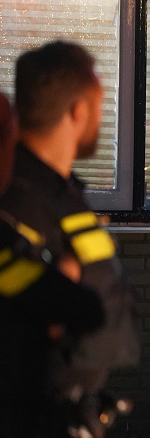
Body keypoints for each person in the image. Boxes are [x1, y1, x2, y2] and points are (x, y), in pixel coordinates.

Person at [0, 42, 139, 437]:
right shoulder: (18, 199)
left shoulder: (63, 196)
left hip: (68, 411)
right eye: (99, 104)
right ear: (78, 110)